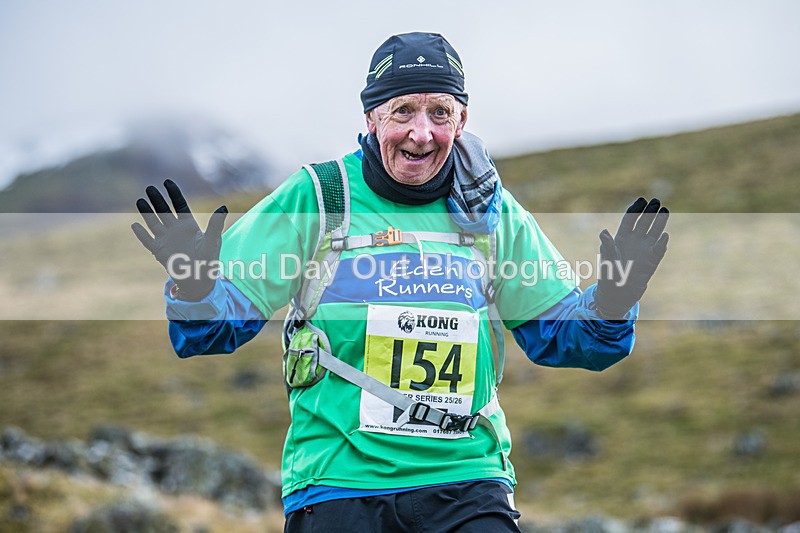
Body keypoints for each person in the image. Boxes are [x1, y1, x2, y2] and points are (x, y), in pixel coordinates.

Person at [131, 32, 669, 532]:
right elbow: (212, 331)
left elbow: (566, 337)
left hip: (468, 480)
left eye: (440, 112)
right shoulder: (319, 198)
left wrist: (616, 297)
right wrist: (195, 286)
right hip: (338, 484)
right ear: (370, 118)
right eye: (403, 111)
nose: (421, 132)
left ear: (462, 121)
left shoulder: (493, 215)